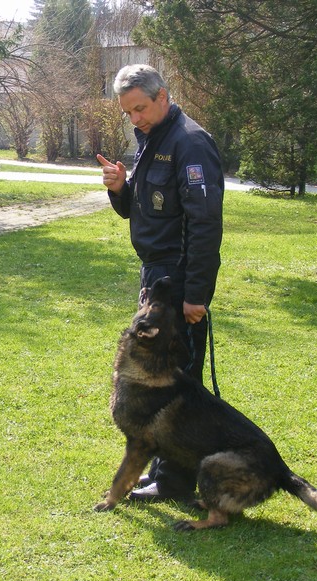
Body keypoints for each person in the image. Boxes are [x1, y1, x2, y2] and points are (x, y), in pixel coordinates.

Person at [97, 64, 224, 502]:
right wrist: (120, 188)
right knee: (157, 379)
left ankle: (173, 481)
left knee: (177, 383)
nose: (135, 119)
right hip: (156, 276)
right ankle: (162, 472)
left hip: (179, 281)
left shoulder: (190, 143)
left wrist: (196, 295)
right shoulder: (153, 138)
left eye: (140, 109)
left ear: (163, 97)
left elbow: (204, 225)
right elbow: (141, 208)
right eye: (128, 113)